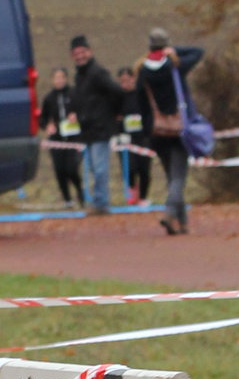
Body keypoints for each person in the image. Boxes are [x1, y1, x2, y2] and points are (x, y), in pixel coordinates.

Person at [137, 25, 205, 236]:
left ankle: (182, 224)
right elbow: (198, 52)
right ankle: (169, 213)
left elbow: (141, 105)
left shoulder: (142, 72)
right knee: (178, 177)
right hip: (178, 129)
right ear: (166, 45)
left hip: (157, 132)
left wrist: (147, 132)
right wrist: (175, 50)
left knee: (171, 177)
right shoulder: (175, 66)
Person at [68, 35, 123, 215]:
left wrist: (115, 113)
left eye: (82, 52)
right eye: (76, 53)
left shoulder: (98, 73)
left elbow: (117, 91)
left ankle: (101, 203)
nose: (80, 56)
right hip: (87, 129)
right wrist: (75, 112)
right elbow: (80, 99)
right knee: (93, 168)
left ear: (90, 52)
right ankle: (99, 201)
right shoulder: (79, 76)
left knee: (99, 169)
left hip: (100, 128)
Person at [40, 65, 84, 207]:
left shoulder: (74, 94)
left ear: (66, 78)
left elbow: (85, 112)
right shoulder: (49, 98)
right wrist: (47, 126)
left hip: (74, 138)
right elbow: (42, 119)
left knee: (71, 168)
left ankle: (80, 191)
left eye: (61, 77)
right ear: (52, 80)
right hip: (56, 140)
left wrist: (77, 116)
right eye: (56, 78)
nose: (59, 80)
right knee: (59, 169)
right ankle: (67, 199)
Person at [116, 65, 151, 204]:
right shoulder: (118, 97)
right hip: (125, 138)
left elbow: (148, 113)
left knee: (144, 168)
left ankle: (143, 197)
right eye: (122, 81)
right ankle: (131, 190)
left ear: (133, 79)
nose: (125, 84)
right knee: (129, 167)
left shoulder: (142, 94)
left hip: (143, 136)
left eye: (128, 80)